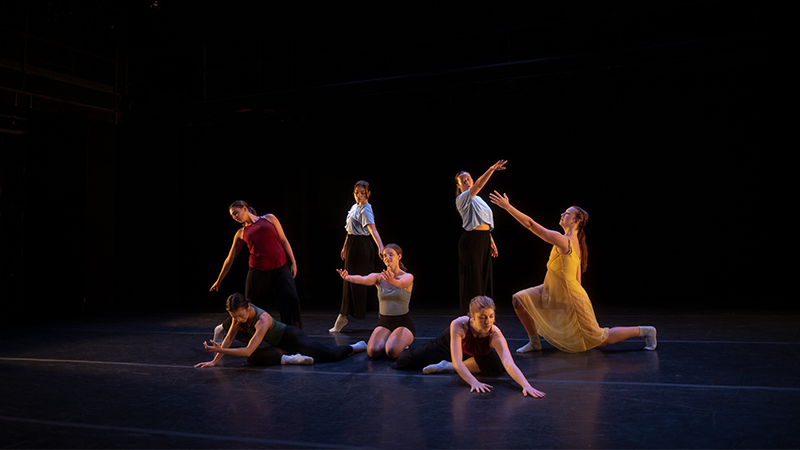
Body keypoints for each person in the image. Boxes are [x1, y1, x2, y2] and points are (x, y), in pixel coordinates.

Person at [488, 191, 657, 353]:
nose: (563, 214)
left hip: (568, 294)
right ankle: (534, 342)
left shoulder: (564, 241)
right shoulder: (574, 242)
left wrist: (507, 207)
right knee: (519, 299)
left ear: (575, 221)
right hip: (551, 289)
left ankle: (645, 331)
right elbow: (578, 278)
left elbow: (531, 225)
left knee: (600, 338)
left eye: (568, 213)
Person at [395, 296, 546, 398]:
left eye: (491, 316)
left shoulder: (495, 334)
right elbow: (457, 359)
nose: (488, 321)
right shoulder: (459, 325)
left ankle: (446, 367)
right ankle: (448, 363)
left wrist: (525, 385)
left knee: (497, 366)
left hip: (474, 354)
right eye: (483, 317)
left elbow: (509, 362)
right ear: (472, 316)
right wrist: (473, 382)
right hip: (447, 347)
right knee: (404, 361)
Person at [195, 293, 366, 368]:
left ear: (248, 306)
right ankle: (290, 359)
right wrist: (214, 361)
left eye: (240, 315)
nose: (238, 320)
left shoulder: (263, 319)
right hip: (279, 345)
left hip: (292, 337)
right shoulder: (237, 316)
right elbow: (229, 338)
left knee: (331, 356)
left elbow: (246, 349)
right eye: (234, 316)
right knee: (253, 359)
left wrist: (220, 350)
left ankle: (356, 346)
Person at [210, 200, 302, 336]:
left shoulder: (269, 218)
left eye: (236, 213)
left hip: (280, 268)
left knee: (292, 299)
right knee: (246, 306)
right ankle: (223, 328)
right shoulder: (241, 233)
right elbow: (230, 259)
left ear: (245, 209)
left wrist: (293, 262)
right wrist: (219, 280)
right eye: (232, 216)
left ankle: (293, 335)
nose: (235, 217)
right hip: (258, 272)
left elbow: (284, 240)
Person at [336, 243, 414, 359]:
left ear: (399, 256)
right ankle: (391, 338)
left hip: (403, 323)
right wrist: (348, 277)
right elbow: (363, 278)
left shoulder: (407, 277)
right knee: (373, 351)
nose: (387, 258)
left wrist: (392, 281)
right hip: (384, 322)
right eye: (384, 255)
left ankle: (401, 341)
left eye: (391, 255)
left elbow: (401, 284)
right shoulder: (379, 277)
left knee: (392, 351)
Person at [330, 181, 385, 332]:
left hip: (361, 247)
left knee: (366, 281)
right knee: (349, 281)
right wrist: (345, 246)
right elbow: (349, 230)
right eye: (356, 193)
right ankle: (342, 317)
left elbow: (373, 229)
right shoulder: (355, 207)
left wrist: (381, 247)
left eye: (362, 193)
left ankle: (384, 315)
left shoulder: (366, 209)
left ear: (368, 193)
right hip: (353, 246)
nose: (359, 196)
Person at [454, 160, 506, 314]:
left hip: (483, 239)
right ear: (458, 186)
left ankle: (484, 313)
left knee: (484, 278)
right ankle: (472, 315)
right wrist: (491, 169)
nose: (466, 182)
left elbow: (484, 221)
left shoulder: (478, 200)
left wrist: (490, 240)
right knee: (474, 280)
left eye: (468, 179)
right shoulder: (462, 198)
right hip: (471, 241)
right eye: (462, 181)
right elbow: (479, 186)